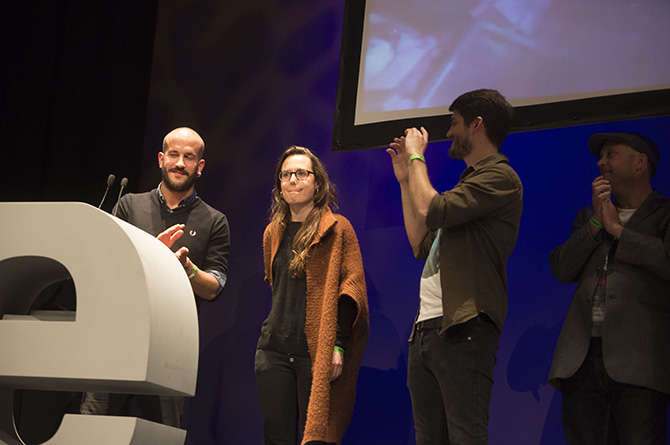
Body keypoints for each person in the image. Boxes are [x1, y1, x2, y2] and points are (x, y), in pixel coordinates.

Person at [386, 89, 523, 444]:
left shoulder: (500, 177)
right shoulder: (467, 187)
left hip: (464, 328)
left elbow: (431, 209)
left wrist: (417, 156)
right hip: (427, 329)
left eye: (455, 123)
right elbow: (420, 242)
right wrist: (406, 180)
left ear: (477, 125)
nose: (449, 132)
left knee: (466, 436)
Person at [81, 126, 230, 427]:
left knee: (162, 433)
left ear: (200, 166)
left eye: (189, 157)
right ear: (161, 159)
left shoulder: (214, 221)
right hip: (116, 339)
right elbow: (106, 265)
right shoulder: (129, 205)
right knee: (92, 429)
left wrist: (187, 269)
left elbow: (215, 287)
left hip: (170, 349)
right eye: (173, 155)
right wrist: (154, 254)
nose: (180, 163)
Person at [548, 132, 669, 444]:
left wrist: (618, 230)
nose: (600, 163)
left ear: (640, 162)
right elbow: (562, 268)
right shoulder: (589, 216)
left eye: (611, 154)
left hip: (639, 360)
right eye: (600, 157)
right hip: (581, 358)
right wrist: (597, 225)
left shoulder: (665, 214)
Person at [255, 146, 369, 445]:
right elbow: (277, 287)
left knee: (318, 437)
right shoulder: (272, 233)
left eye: (301, 173)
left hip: (315, 354)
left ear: (317, 183)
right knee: (276, 439)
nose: (293, 180)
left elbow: (351, 290)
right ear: (280, 185)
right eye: (286, 175)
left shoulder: (338, 229)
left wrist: (338, 345)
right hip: (273, 351)